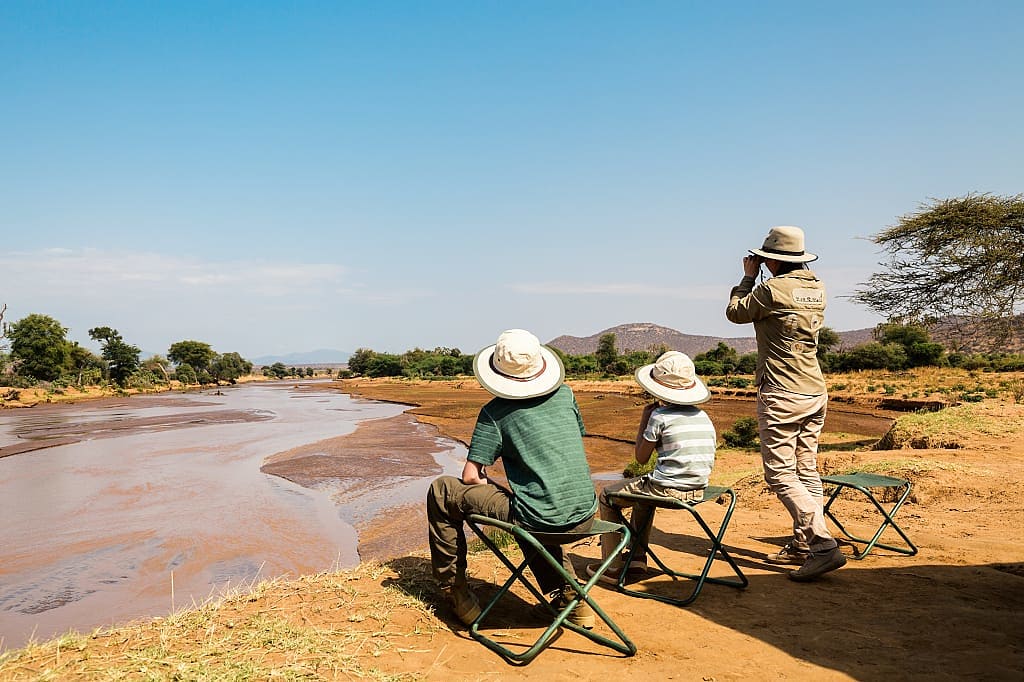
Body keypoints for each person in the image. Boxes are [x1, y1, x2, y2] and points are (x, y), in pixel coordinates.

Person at [426, 329, 598, 626]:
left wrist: (490, 485)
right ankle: (572, 601)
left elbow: (470, 477)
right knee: (536, 505)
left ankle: (455, 592)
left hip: (542, 521)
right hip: (586, 515)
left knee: (442, 491)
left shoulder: (495, 412)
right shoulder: (567, 394)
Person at [726, 225, 846, 581]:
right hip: (814, 389)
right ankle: (804, 542)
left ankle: (823, 546)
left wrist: (747, 277)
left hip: (782, 392)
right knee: (806, 469)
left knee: (779, 473)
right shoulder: (817, 288)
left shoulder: (770, 289)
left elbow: (734, 312)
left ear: (772, 260)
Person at [586, 351, 716, 585]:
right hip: (698, 488)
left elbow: (641, 457)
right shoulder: (702, 415)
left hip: (668, 490)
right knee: (644, 495)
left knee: (607, 497)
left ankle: (612, 566)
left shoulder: (659, 416)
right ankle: (637, 558)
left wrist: (644, 420)